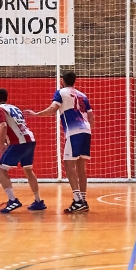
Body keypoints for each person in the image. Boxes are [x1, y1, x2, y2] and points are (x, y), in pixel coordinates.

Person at [24, 71, 94, 213]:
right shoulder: (82, 95)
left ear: (62, 80)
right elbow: (91, 117)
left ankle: (77, 200)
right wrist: (87, 129)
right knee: (81, 167)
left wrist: (36, 114)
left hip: (74, 132)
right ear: (75, 80)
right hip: (86, 131)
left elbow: (53, 109)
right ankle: (83, 200)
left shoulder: (61, 92)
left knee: (69, 165)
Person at [0, 88, 46, 213]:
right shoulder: (14, 108)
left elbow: (4, 126)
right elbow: (14, 126)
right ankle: (38, 201)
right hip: (30, 140)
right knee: (28, 169)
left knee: (0, 170)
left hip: (19, 143)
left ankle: (12, 200)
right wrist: (6, 143)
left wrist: (1, 147)